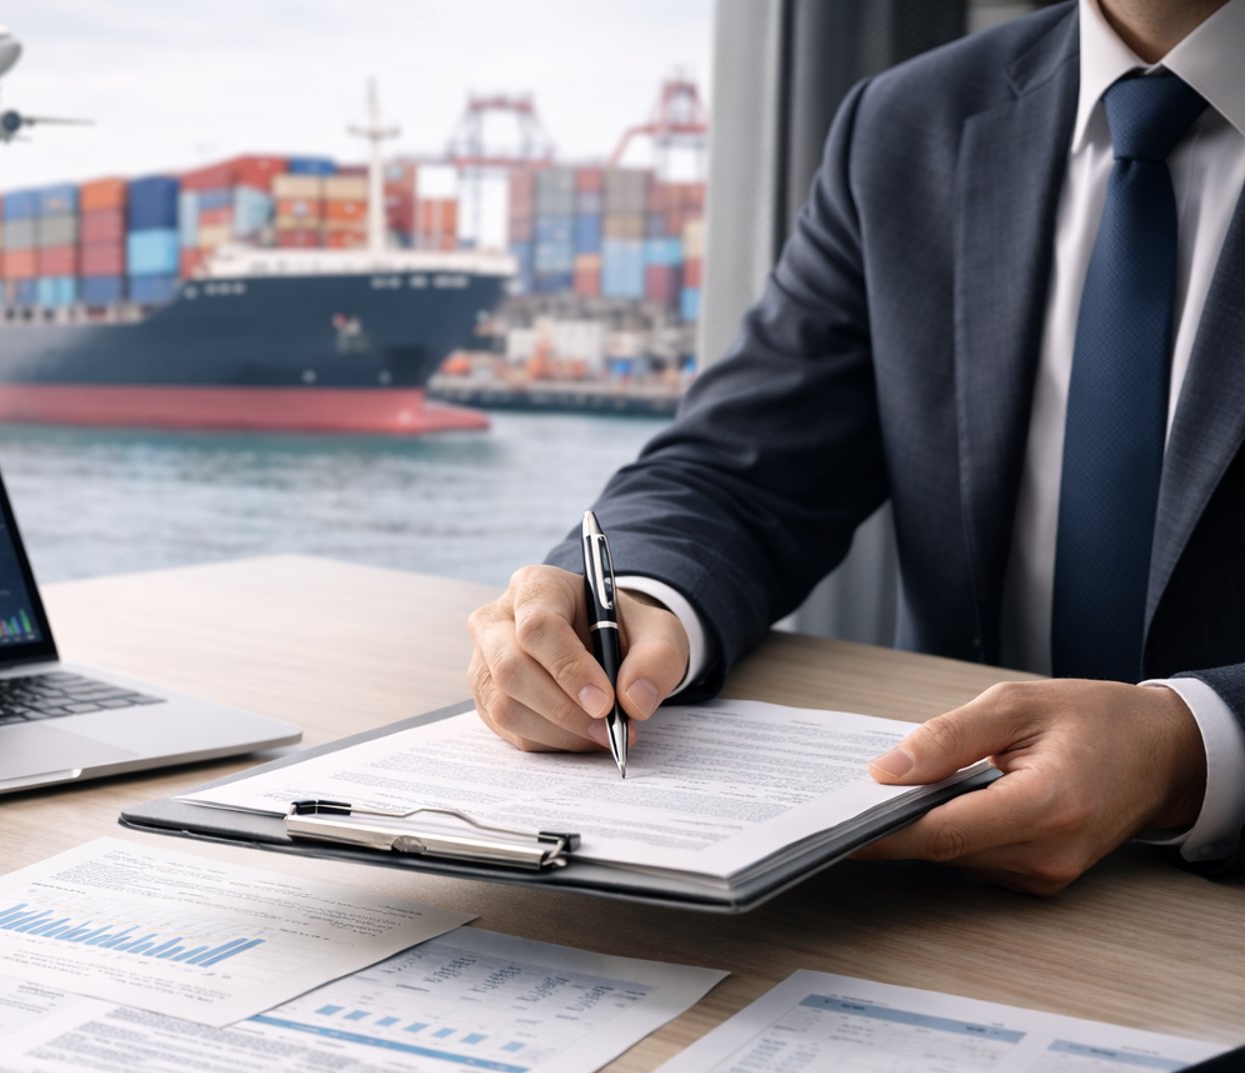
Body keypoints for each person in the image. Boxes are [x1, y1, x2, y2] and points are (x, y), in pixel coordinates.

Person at [467, 0, 1245, 894]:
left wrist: (1192, 745)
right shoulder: (910, 122)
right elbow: (740, 468)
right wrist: (633, 603)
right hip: (935, 884)